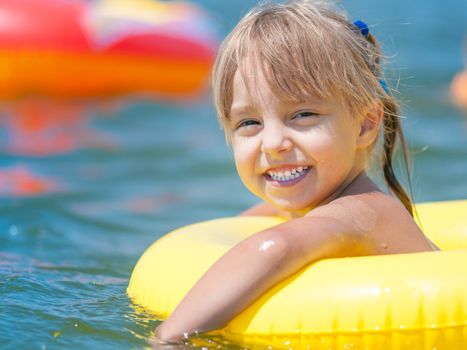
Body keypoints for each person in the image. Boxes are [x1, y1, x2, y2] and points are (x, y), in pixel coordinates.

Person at [155, 0, 437, 343]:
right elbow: (258, 224)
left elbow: (275, 246)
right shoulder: (314, 208)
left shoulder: (364, 212)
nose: (273, 143)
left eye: (303, 115)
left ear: (365, 124)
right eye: (249, 122)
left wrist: (166, 337)